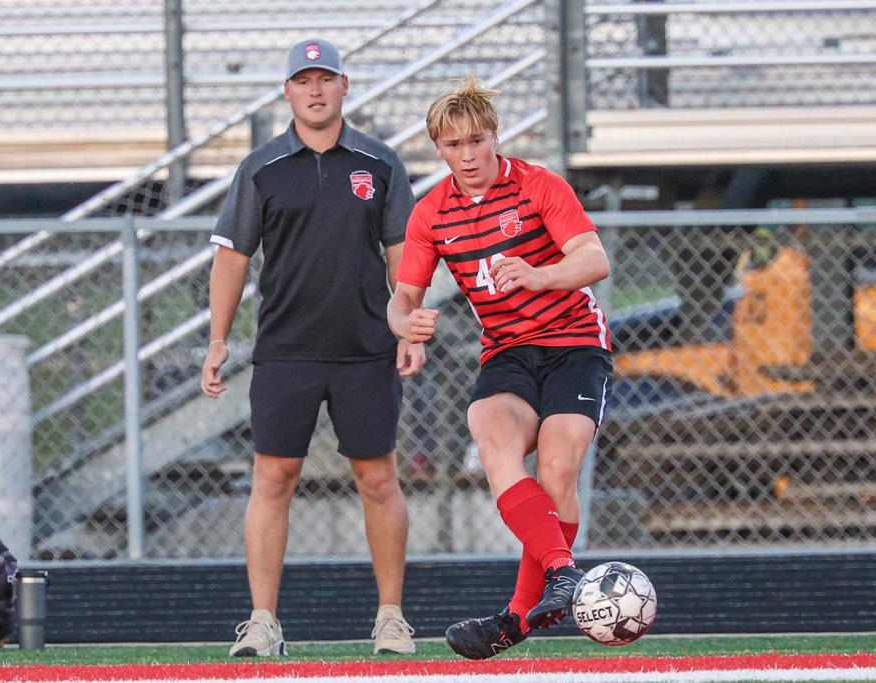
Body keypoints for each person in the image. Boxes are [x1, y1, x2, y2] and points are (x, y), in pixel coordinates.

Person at [201, 38, 424, 657]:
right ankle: (262, 623)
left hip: (366, 348)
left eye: (326, 78)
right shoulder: (261, 167)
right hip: (286, 350)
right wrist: (217, 341)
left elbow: (404, 255)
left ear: (345, 86)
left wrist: (407, 327)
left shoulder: (380, 162)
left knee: (377, 477)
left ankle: (391, 619)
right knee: (273, 476)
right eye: (304, 80)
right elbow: (232, 258)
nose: (316, 90)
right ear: (288, 92)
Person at [387, 75, 612, 660]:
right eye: (453, 144)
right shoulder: (430, 214)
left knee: (558, 468)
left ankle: (516, 618)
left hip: (574, 343)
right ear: (437, 148)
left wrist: (540, 275)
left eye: (477, 141)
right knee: (492, 439)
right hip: (507, 351)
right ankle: (563, 574)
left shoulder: (539, 186)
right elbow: (402, 297)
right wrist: (405, 325)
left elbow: (594, 259)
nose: (467, 155)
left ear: (495, 137)